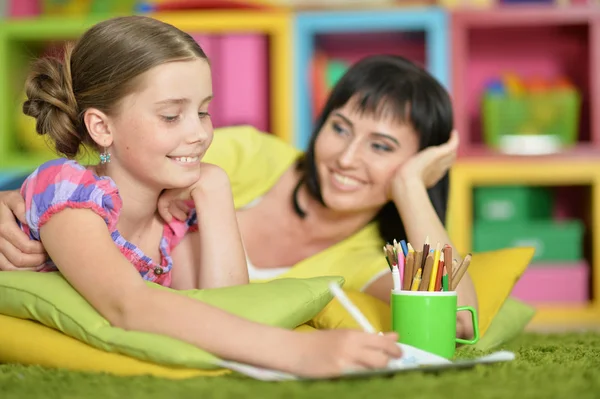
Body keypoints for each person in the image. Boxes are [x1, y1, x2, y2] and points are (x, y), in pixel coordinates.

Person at [0, 15, 403, 378]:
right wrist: (297, 351)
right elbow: (127, 304)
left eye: (204, 111)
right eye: (172, 115)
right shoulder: (67, 190)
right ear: (102, 128)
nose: (198, 133)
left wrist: (216, 189)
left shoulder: (174, 221)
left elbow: (231, 305)